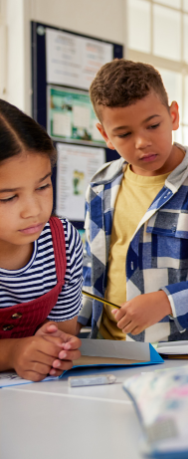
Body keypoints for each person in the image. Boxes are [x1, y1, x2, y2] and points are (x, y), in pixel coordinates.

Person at [79, 59, 188, 342]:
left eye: (153, 125)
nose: (142, 142)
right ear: (105, 135)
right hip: (104, 352)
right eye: (124, 134)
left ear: (173, 115)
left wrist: (167, 302)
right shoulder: (99, 186)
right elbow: (91, 274)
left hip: (181, 360)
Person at [0, 99, 82, 381]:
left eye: (43, 186)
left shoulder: (63, 242)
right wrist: (12, 353)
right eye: (8, 197)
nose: (34, 210)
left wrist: (58, 349)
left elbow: (63, 332)